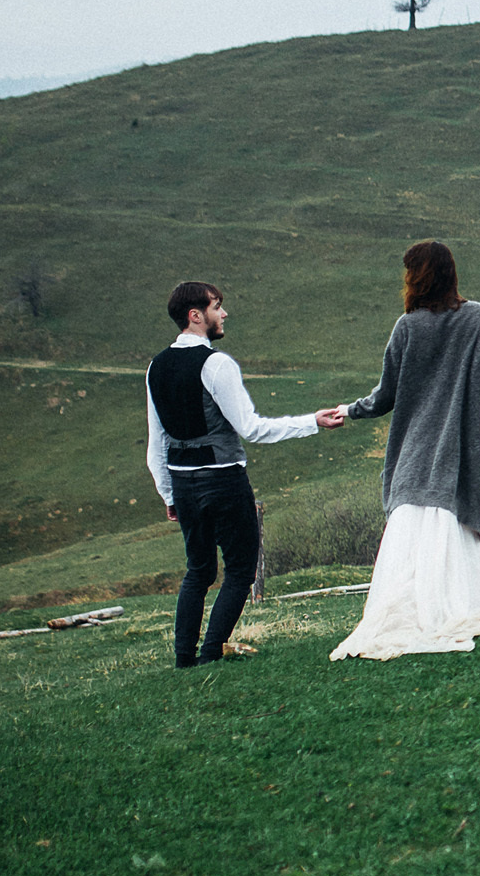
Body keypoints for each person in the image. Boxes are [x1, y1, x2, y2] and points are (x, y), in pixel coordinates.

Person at [329, 241, 480, 661]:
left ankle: (417, 611)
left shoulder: (407, 327)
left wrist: (349, 410)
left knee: (411, 537)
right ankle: (458, 602)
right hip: (458, 447)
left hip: (413, 453)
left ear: (416, 276)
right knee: (451, 529)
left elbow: (385, 395)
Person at [144, 280, 346, 667]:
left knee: (198, 571)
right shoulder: (216, 364)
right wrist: (312, 422)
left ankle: (184, 659)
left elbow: (157, 444)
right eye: (217, 307)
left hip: (183, 483)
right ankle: (210, 653)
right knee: (240, 569)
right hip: (223, 481)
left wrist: (168, 494)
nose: (224, 314)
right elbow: (251, 428)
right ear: (196, 315)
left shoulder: (156, 367)